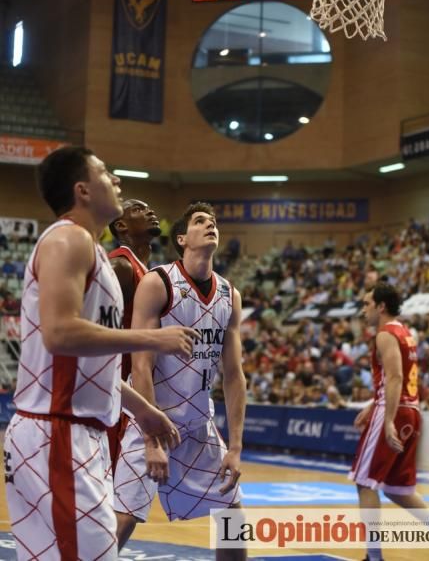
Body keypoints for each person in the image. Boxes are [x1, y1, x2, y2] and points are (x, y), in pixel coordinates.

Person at [3, 146, 200, 561]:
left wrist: (141, 408)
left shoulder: (96, 256)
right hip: (56, 432)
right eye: (107, 174)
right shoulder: (67, 237)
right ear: (83, 191)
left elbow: (92, 360)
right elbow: (59, 334)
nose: (118, 181)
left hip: (75, 431)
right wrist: (150, 339)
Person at [113, 202, 247, 560]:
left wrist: (234, 447)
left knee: (233, 518)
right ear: (183, 239)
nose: (210, 225)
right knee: (124, 519)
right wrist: (151, 438)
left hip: (198, 426)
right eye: (201, 221)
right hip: (151, 420)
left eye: (214, 221)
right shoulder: (158, 283)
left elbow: (234, 376)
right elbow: (140, 364)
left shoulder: (229, 295)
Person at [349, 282, 429, 561]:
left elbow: (396, 377)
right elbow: (398, 379)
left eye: (367, 304)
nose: (363, 309)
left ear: (381, 306)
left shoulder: (386, 334)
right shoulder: (406, 333)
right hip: (411, 410)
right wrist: (373, 403)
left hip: (395, 410)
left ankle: (373, 557)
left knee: (364, 483)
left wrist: (385, 418)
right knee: (397, 489)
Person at [106, 199, 162, 478]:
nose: (151, 211)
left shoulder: (147, 270)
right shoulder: (120, 267)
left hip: (135, 387)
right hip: (116, 391)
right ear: (121, 225)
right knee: (110, 483)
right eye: (139, 209)